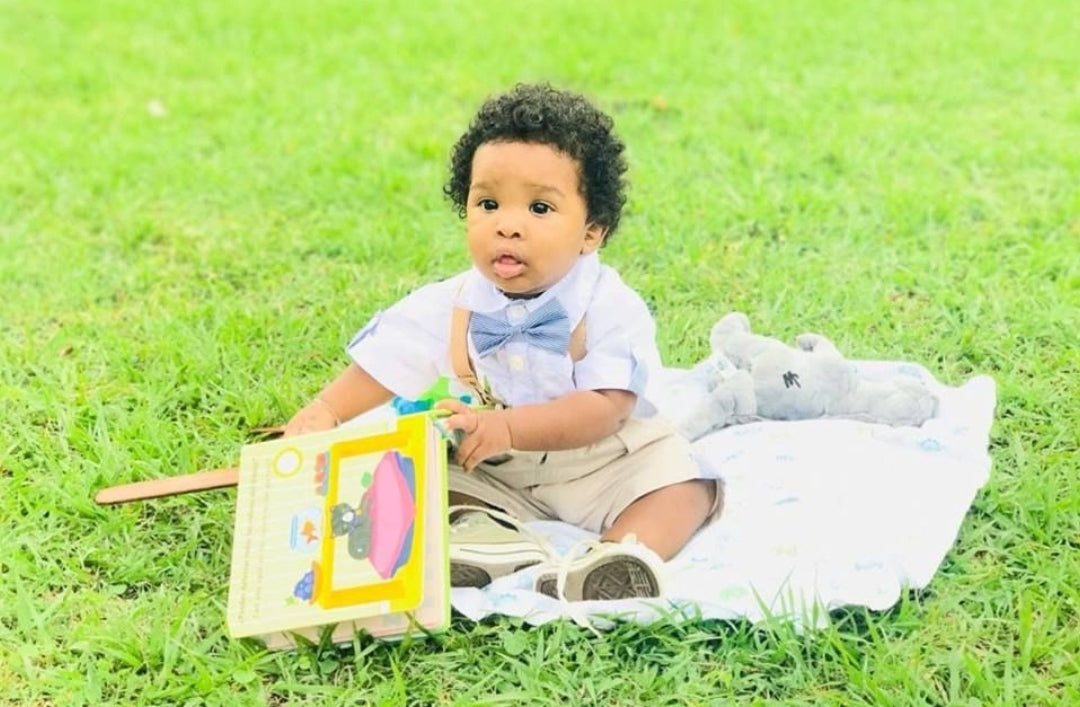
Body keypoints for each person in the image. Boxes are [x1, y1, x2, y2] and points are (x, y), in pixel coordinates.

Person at [284, 83, 722, 601]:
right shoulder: (454, 302)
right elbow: (388, 359)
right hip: (500, 467)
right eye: (488, 203)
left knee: (685, 486)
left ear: (591, 233)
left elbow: (607, 407)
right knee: (417, 477)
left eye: (539, 209)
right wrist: (326, 411)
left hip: (605, 459)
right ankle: (492, 541)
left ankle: (615, 558)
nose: (507, 226)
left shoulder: (609, 305)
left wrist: (509, 426)